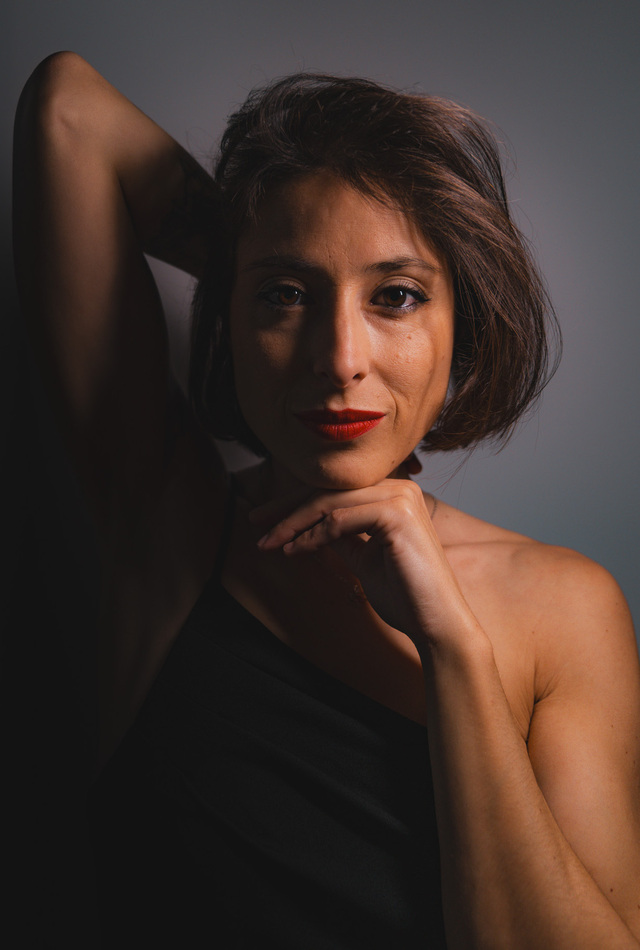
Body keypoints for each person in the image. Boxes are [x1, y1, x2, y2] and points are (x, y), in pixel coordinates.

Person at [13, 51, 640, 948]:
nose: (340, 358)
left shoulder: (566, 608)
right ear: (232, 320)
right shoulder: (169, 521)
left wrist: (452, 646)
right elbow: (68, 110)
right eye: (287, 297)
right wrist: (250, 249)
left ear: (462, 324)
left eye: (396, 296)